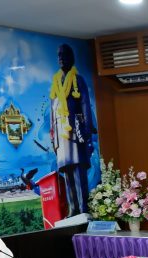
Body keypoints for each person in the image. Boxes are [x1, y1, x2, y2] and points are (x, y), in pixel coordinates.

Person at [49, 43, 95, 217]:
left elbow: (85, 105)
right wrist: (52, 138)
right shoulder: (55, 83)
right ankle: (73, 209)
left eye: (64, 54)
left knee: (78, 170)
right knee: (67, 172)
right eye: (58, 55)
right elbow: (52, 113)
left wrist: (87, 129)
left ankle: (83, 208)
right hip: (60, 133)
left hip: (75, 129)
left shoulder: (78, 79)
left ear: (71, 57)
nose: (61, 58)